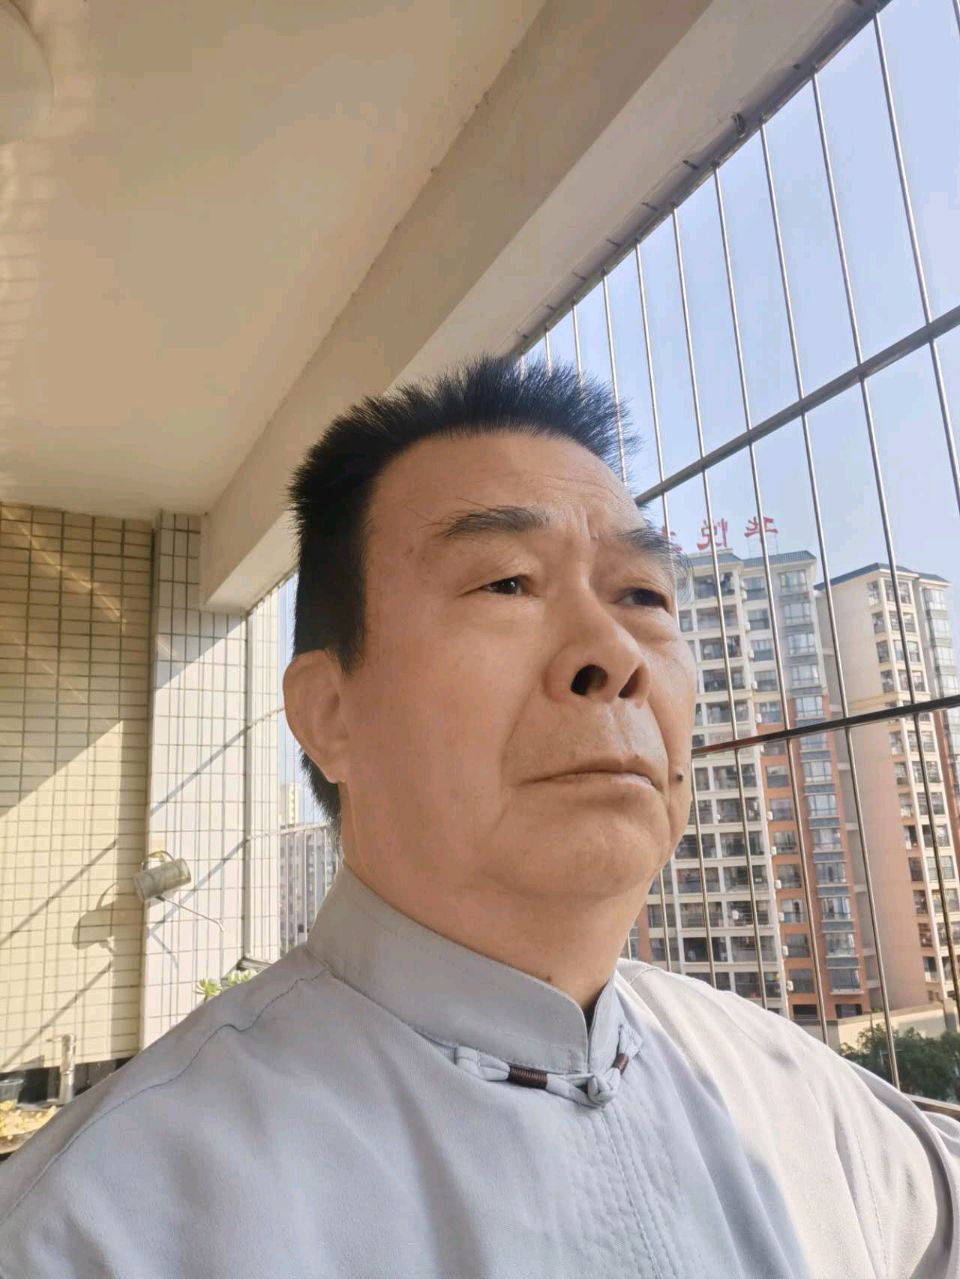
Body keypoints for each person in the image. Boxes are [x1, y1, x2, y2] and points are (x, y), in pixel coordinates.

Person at [0, 355, 957, 1278]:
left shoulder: (803, 1099)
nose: (613, 652)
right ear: (330, 713)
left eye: (643, 594)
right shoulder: (105, 1223)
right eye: (507, 582)